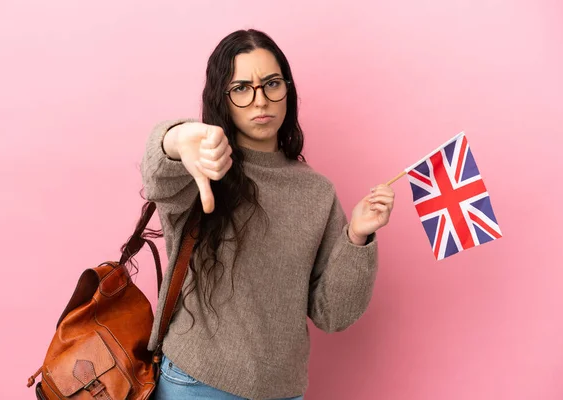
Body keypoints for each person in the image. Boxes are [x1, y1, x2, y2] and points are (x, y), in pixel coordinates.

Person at [141, 28, 395, 400]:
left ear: (287, 91)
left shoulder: (317, 192)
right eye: (241, 88)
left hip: (282, 391)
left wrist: (357, 237)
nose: (260, 101)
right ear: (222, 98)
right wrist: (178, 139)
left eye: (271, 84)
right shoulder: (202, 167)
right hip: (196, 381)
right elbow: (156, 170)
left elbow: (331, 314)